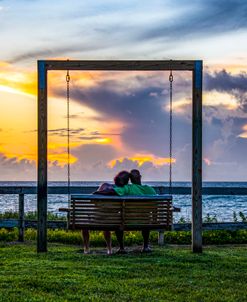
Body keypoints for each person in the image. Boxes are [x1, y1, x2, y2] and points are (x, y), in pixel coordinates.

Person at [82, 171, 130, 254]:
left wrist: (96, 193)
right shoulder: (125, 190)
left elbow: (92, 201)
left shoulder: (112, 189)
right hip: (112, 219)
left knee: (84, 223)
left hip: (98, 218)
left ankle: (86, 248)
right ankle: (109, 249)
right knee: (106, 223)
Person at [114, 169, 156, 253]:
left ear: (130, 180)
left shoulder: (127, 188)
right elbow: (155, 206)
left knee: (118, 221)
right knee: (145, 218)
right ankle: (145, 247)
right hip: (144, 222)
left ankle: (121, 248)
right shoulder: (150, 190)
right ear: (140, 177)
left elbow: (114, 191)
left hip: (127, 221)